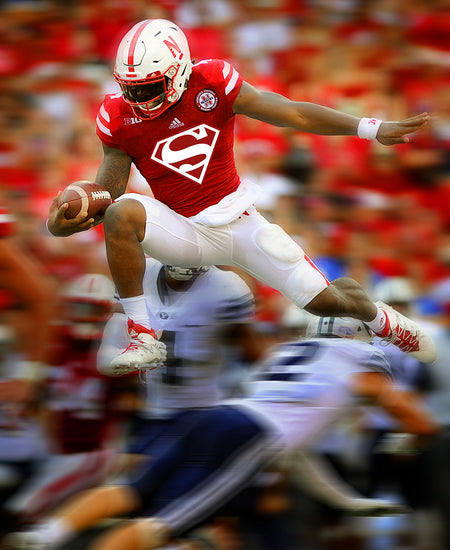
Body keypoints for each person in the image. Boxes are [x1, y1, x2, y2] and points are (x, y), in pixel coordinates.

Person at [46, 19, 436, 379]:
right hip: (182, 231)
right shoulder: (118, 116)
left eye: (148, 87)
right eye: (130, 88)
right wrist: (63, 222)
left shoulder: (212, 82)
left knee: (324, 301)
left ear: (179, 71)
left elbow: (292, 114)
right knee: (121, 213)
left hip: (238, 221)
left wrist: (370, 128)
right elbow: (107, 194)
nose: (137, 97)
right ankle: (143, 335)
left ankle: (382, 320)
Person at [7, 316, 438, 550]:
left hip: (216, 416)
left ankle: (45, 535)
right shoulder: (357, 365)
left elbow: (295, 452)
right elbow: (413, 417)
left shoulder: (288, 353)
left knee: (131, 491)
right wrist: (416, 436)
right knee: (160, 527)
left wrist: (351, 502)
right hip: (246, 438)